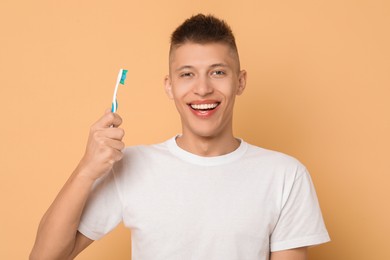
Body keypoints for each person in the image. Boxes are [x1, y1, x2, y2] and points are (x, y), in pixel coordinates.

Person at [30, 14, 330, 260]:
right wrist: (86, 169)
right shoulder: (132, 166)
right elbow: (44, 257)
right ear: (169, 86)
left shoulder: (286, 176)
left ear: (240, 82)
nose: (202, 89)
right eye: (187, 74)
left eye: (217, 72)